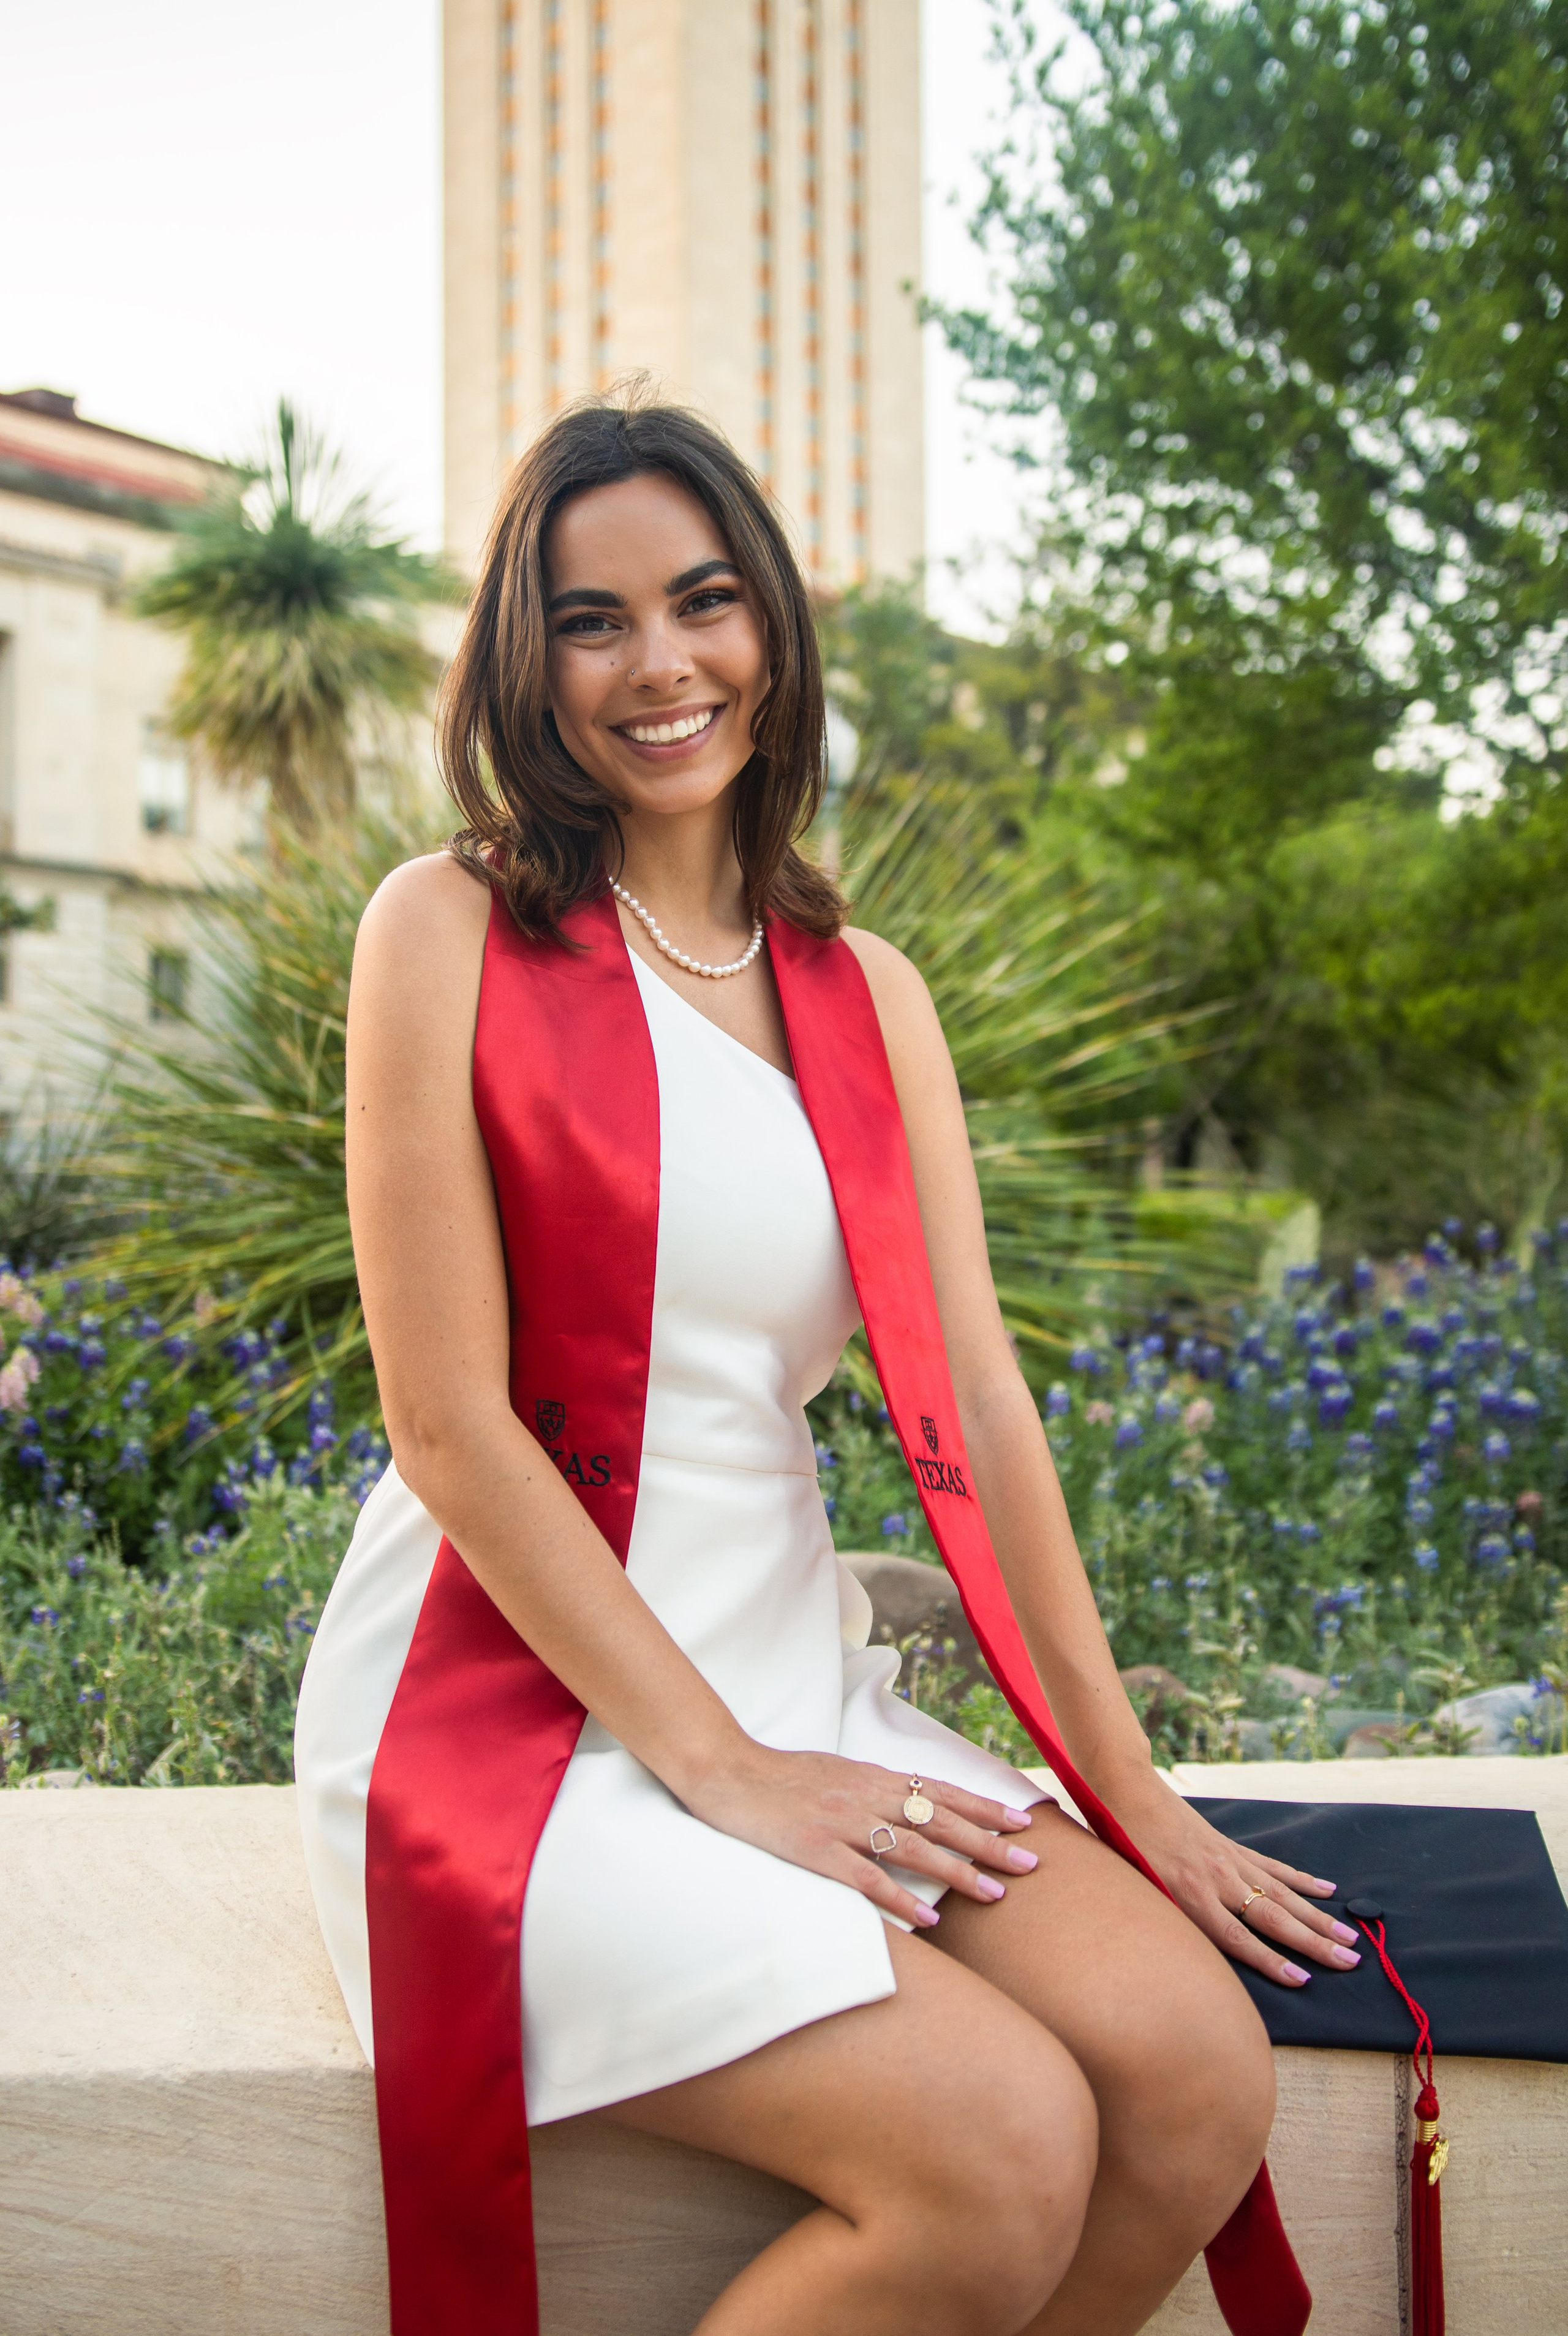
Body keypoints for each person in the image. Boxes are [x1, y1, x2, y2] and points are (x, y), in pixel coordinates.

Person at [295, 393, 1359, 2336]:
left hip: (795, 1675)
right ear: (527, 663)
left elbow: (981, 1401)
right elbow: (444, 1425)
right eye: (593, 620)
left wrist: (1129, 1792)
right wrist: (724, 1773)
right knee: (1003, 2141)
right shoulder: (443, 931)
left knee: (1197, 2077)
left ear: (771, 625)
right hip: (521, 1717)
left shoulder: (868, 995)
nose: (661, 665)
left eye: (703, 603)